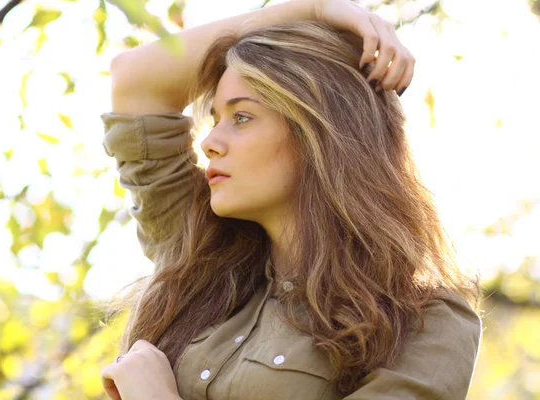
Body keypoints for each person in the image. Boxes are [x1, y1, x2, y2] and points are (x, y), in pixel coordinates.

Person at [99, 0, 482, 399]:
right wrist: (315, 10)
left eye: (241, 117)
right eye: (215, 120)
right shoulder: (198, 253)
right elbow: (134, 80)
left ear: (320, 133)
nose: (210, 142)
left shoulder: (425, 322)